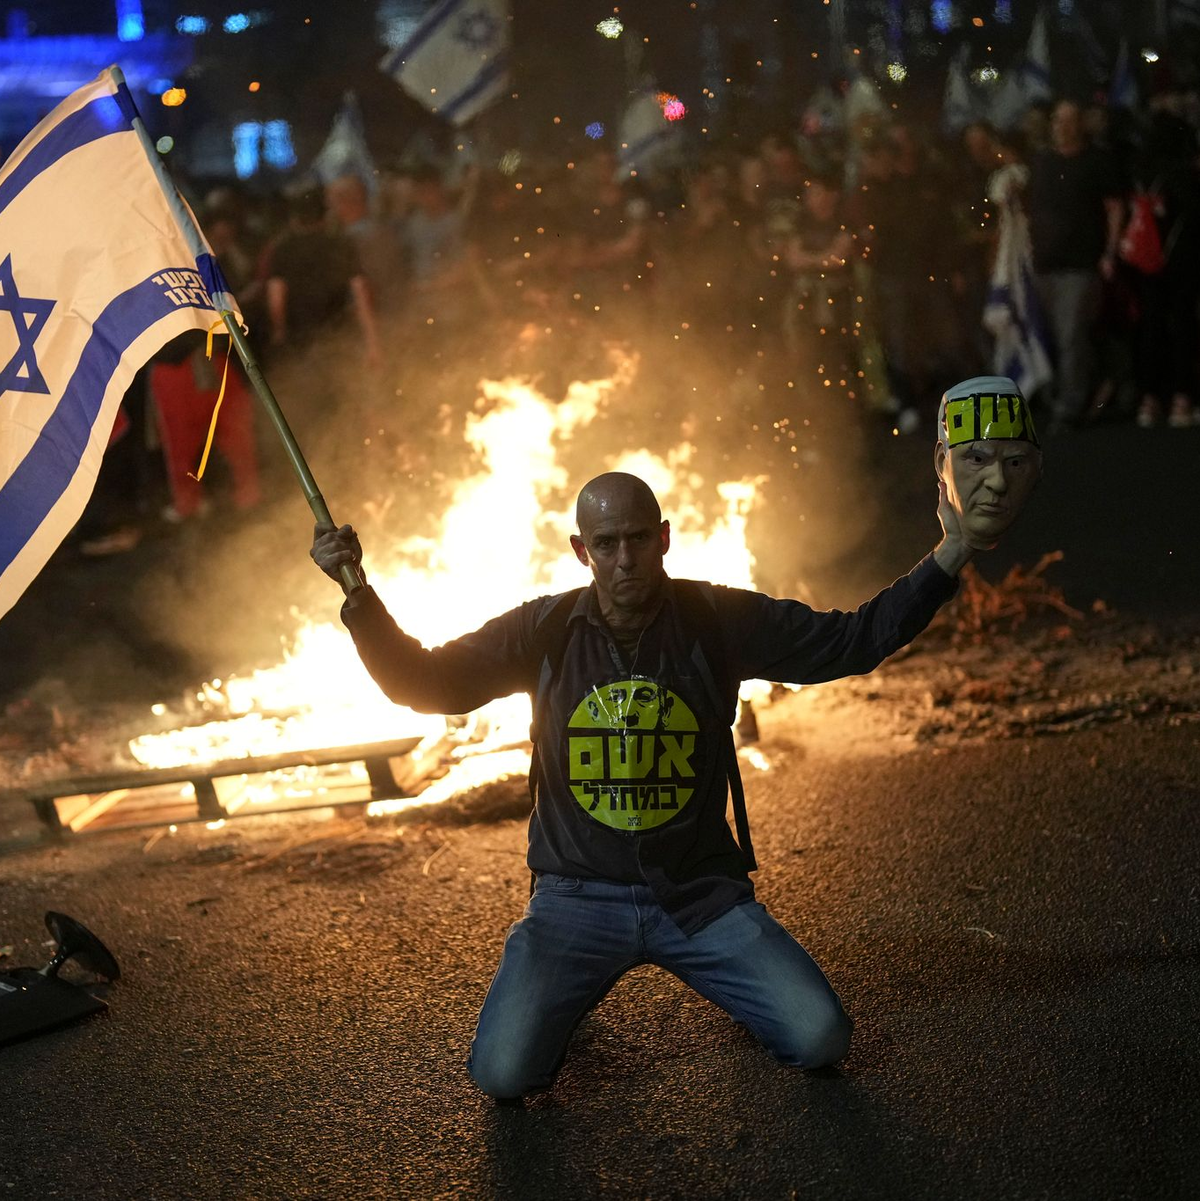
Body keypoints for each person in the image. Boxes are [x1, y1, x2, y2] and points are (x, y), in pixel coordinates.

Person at [310, 410, 1036, 1101]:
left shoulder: (716, 618)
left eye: (636, 539)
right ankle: (566, 994)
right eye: (606, 544)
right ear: (579, 551)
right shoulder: (546, 628)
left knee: (820, 1037)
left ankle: (714, 988)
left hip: (697, 893)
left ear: (663, 538)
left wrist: (950, 554)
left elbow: (850, 640)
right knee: (501, 1073)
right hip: (575, 897)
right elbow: (423, 681)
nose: (624, 558)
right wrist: (358, 594)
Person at [1025, 100, 1124, 432]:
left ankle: (1070, 405)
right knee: (1059, 336)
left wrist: (1109, 253)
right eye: (1058, 121)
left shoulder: (1096, 162)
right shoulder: (1042, 163)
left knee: (1070, 334)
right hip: (1045, 264)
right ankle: (1093, 389)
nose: (1063, 127)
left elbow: (1113, 208)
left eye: (1070, 121)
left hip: (1080, 264)